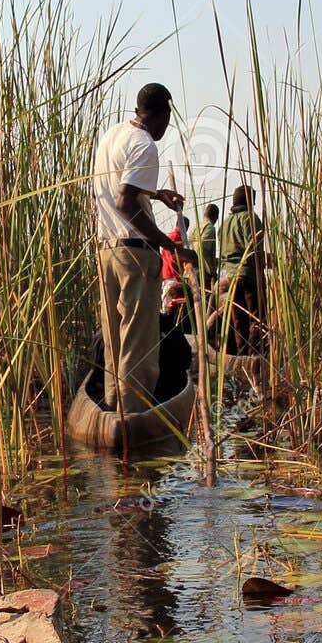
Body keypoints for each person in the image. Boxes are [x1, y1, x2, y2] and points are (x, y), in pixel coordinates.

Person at [90, 84, 197, 415]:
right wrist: (170, 246)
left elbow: (121, 189)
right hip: (134, 253)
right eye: (169, 118)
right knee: (138, 341)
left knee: (114, 337)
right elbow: (124, 200)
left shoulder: (113, 136)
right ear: (162, 114)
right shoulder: (145, 144)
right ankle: (132, 415)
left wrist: (156, 193)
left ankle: (112, 406)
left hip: (106, 248)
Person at [218, 184, 266, 356]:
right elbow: (255, 249)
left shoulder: (224, 224)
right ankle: (255, 359)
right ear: (250, 201)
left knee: (238, 321)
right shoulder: (250, 218)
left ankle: (241, 360)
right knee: (256, 319)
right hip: (249, 276)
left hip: (230, 278)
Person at [189, 203, 219, 286]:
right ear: (216, 217)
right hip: (202, 274)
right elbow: (202, 249)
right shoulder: (209, 227)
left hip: (191, 271)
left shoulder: (195, 227)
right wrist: (211, 272)